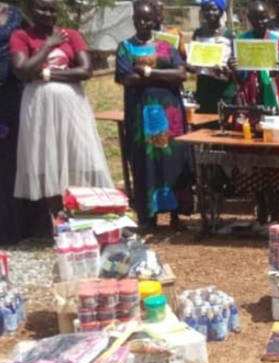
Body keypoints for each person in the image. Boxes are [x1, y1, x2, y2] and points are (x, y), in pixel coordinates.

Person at [10, 0, 113, 218]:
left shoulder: (71, 35)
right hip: (39, 107)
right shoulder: (21, 36)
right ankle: (59, 219)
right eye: (42, 9)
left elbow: (85, 71)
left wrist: (45, 74)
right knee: (49, 158)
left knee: (81, 155)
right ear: (30, 11)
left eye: (53, 10)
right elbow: (22, 70)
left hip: (72, 106)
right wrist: (48, 45)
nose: (48, 14)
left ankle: (88, 214)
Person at [115, 0, 194, 228]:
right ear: (133, 19)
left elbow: (181, 74)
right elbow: (127, 78)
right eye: (138, 18)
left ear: (154, 21)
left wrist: (149, 71)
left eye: (147, 19)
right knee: (144, 160)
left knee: (172, 159)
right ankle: (148, 215)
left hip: (170, 115)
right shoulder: (125, 47)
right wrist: (164, 75)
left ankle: (176, 215)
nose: (142, 22)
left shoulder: (166, 47)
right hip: (140, 115)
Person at [228, 1, 279, 225]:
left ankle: (276, 210)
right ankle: (261, 209)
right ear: (249, 19)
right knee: (252, 154)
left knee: (274, 153)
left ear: (269, 17)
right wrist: (233, 69)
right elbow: (239, 80)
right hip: (249, 103)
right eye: (255, 18)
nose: (260, 22)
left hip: (273, 100)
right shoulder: (242, 42)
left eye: (263, 17)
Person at [0, 2, 50, 244]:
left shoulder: (16, 15)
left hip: (14, 96)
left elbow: (40, 35)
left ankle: (32, 228)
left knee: (20, 159)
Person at [189, 0, 235, 115]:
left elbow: (234, 64)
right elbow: (192, 59)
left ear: (221, 10)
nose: (210, 13)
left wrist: (226, 70)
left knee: (223, 123)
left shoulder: (230, 35)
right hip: (204, 88)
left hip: (223, 89)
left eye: (214, 9)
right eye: (207, 9)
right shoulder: (198, 34)